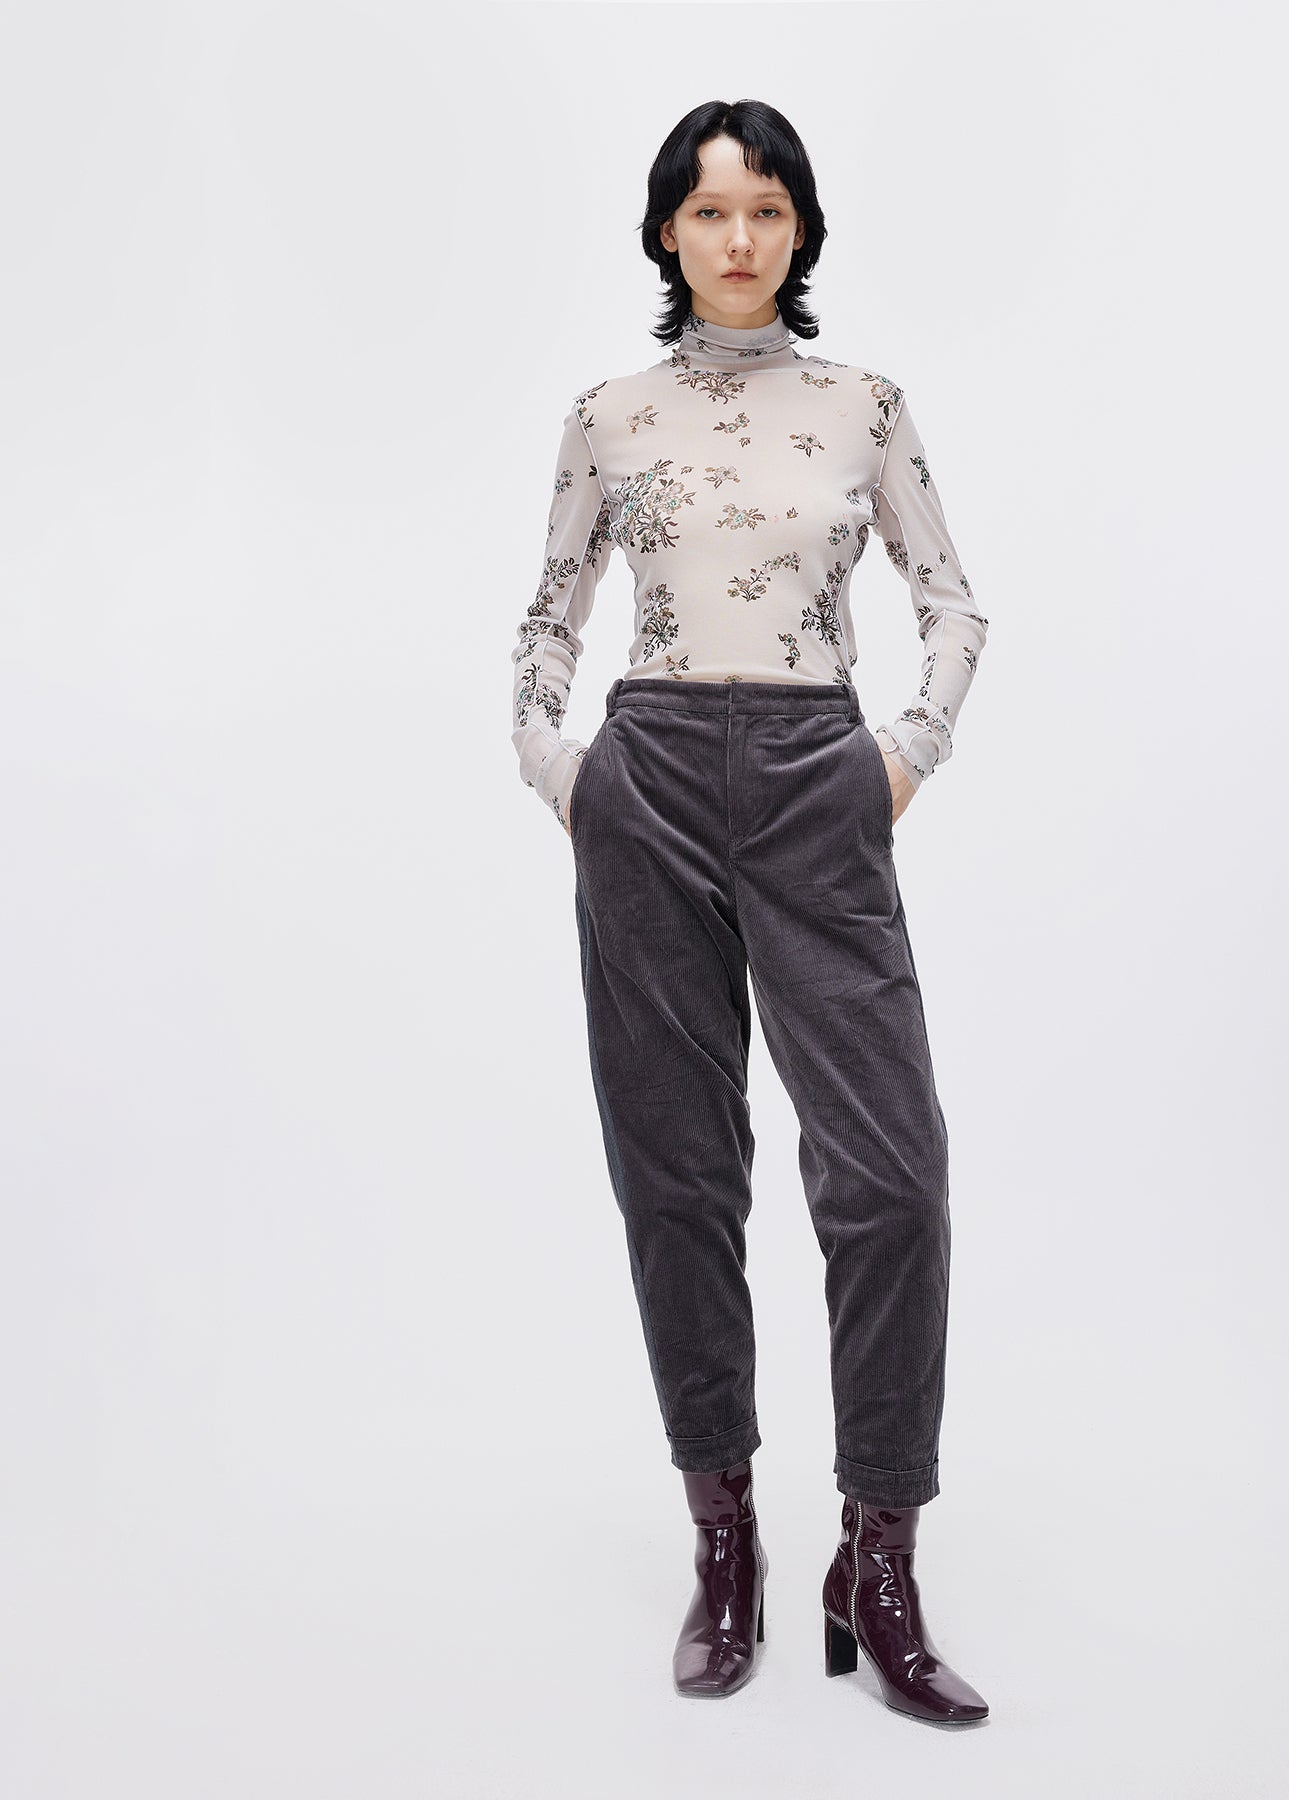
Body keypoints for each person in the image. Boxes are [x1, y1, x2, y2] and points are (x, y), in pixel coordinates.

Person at [510, 100, 991, 1725]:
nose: (738, 238)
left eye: (767, 210)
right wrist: (560, 770)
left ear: (800, 230)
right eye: (710, 211)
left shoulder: (864, 406)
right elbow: (547, 620)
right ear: (668, 230)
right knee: (678, 1169)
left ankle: (880, 1554)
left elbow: (952, 604)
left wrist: (905, 754)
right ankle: (726, 1541)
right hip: (645, 777)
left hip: (814, 777)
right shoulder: (609, 415)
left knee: (892, 1180)